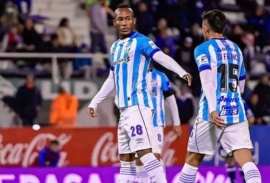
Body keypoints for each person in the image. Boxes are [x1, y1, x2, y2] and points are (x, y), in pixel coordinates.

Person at [88, 3, 191, 183]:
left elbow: (160, 56)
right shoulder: (114, 48)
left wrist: (180, 71)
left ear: (134, 21)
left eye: (128, 19)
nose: (125, 22)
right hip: (124, 111)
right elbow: (112, 79)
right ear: (114, 22)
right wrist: (95, 102)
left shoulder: (141, 41)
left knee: (144, 153)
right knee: (126, 162)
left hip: (138, 106)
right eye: (120, 19)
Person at [178, 10, 261, 183]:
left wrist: (214, 109)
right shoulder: (236, 48)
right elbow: (242, 82)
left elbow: (207, 80)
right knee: (245, 158)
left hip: (211, 111)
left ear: (205, 27)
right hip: (235, 110)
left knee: (193, 158)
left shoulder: (202, 49)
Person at [136, 65, 182, 182]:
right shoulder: (133, 75)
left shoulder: (160, 76)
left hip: (156, 122)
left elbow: (171, 99)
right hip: (138, 122)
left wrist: (176, 122)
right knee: (139, 159)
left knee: (155, 157)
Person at [220, 99, 255, 183]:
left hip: (227, 134)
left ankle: (233, 181)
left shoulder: (221, 101)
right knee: (243, 159)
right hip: (240, 134)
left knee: (230, 160)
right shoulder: (240, 100)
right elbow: (251, 119)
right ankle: (244, 180)